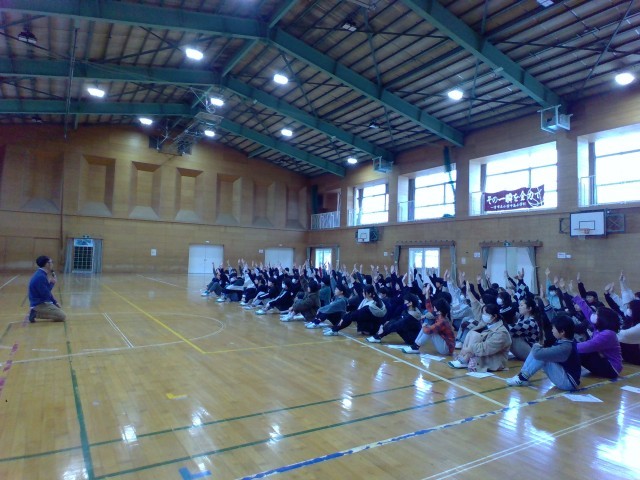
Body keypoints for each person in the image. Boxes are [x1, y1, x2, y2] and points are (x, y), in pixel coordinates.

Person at [506, 314, 581, 390]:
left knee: (541, 355)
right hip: (565, 376)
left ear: (562, 332)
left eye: (553, 328)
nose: (552, 330)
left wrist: (536, 345)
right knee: (539, 351)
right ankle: (521, 377)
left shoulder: (566, 347)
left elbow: (538, 354)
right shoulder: (565, 341)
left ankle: (521, 378)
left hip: (568, 383)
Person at [448, 303, 511, 372]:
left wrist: (469, 349)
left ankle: (465, 359)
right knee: (472, 333)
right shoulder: (488, 324)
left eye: (485, 314)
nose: (483, 316)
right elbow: (476, 313)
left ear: (494, 316)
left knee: (475, 337)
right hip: (485, 355)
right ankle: (464, 358)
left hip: (494, 360)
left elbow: (486, 347)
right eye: (483, 314)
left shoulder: (502, 333)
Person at [28, 256, 66, 322]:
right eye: (51, 262)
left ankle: (36, 312)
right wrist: (52, 284)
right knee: (62, 316)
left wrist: (55, 302)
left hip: (41, 302)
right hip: (38, 304)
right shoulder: (41, 277)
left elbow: (46, 291)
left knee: (59, 313)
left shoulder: (41, 274)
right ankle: (35, 313)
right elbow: (46, 295)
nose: (52, 264)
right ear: (47, 264)